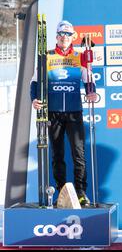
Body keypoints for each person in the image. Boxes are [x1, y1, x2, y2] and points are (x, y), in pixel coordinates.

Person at [30, 20, 97, 206]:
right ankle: (61, 191)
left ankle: (81, 192)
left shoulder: (79, 56)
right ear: (56, 36)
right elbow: (34, 82)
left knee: (79, 153)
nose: (64, 38)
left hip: (74, 112)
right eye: (61, 34)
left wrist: (92, 92)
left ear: (73, 37)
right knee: (57, 154)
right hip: (53, 113)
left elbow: (88, 80)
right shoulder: (47, 56)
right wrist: (34, 99)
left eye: (68, 34)